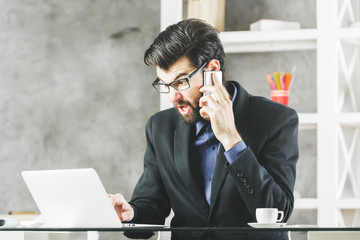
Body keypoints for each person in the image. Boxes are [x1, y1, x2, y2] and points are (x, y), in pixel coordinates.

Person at [109, 18, 299, 240]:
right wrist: (132, 213)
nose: (172, 96)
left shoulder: (277, 119)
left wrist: (231, 140)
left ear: (212, 70)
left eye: (180, 82)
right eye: (164, 84)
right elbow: (152, 204)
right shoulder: (159, 127)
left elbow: (279, 210)